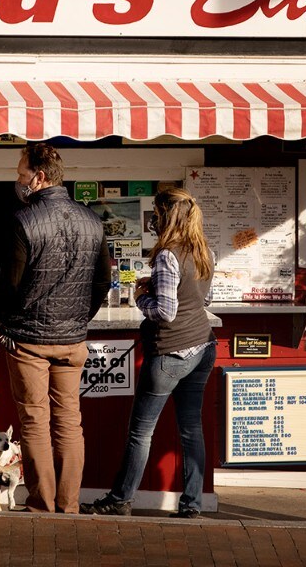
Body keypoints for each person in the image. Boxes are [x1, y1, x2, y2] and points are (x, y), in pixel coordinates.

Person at [0, 143, 113, 513]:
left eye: (21, 174)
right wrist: (80, 319)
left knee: (35, 423)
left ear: (38, 177)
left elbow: (9, 284)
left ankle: (42, 506)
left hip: (30, 341)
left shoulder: (24, 220)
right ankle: (68, 508)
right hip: (73, 340)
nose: (18, 181)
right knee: (70, 423)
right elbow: (103, 282)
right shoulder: (92, 220)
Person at [81, 187, 217, 518]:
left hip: (170, 352)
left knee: (141, 432)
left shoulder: (168, 255)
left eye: (155, 214)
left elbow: (165, 312)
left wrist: (141, 296)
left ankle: (120, 499)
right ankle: (192, 505)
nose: (152, 220)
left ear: (165, 216)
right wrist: (158, 286)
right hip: (203, 346)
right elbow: (204, 300)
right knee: (191, 429)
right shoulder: (203, 251)